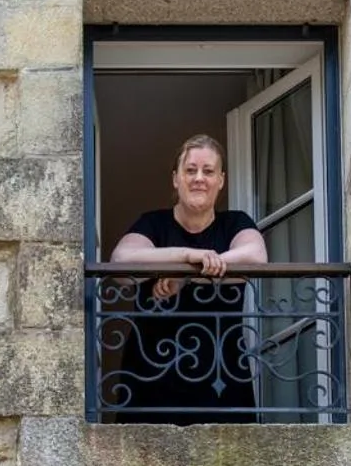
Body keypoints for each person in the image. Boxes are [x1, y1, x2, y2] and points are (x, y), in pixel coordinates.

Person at [106, 134, 268, 423]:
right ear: (175, 178)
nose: (199, 178)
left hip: (222, 379)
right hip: (152, 378)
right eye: (190, 170)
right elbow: (121, 263)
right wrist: (187, 255)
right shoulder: (153, 224)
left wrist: (185, 277)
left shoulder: (235, 223)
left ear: (221, 180)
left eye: (208, 171)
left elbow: (255, 258)